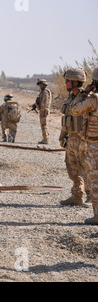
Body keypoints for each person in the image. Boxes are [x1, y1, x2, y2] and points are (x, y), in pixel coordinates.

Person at [71, 67, 98, 224]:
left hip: (94, 145)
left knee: (95, 179)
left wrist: (84, 93)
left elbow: (74, 110)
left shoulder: (93, 99)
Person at [59, 68, 89, 207]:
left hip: (82, 139)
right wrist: (63, 136)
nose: (65, 83)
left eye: (67, 81)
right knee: (72, 169)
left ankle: (91, 197)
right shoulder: (71, 98)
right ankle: (77, 195)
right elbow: (67, 119)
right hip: (71, 138)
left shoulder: (85, 98)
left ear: (75, 82)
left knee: (86, 169)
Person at [32, 79, 52, 144]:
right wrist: (36, 105)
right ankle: (45, 138)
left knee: (44, 125)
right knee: (43, 125)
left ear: (44, 85)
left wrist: (40, 109)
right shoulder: (43, 92)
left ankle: (46, 139)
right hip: (42, 111)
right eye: (39, 85)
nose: (40, 86)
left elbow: (44, 103)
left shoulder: (45, 92)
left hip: (44, 111)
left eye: (41, 85)